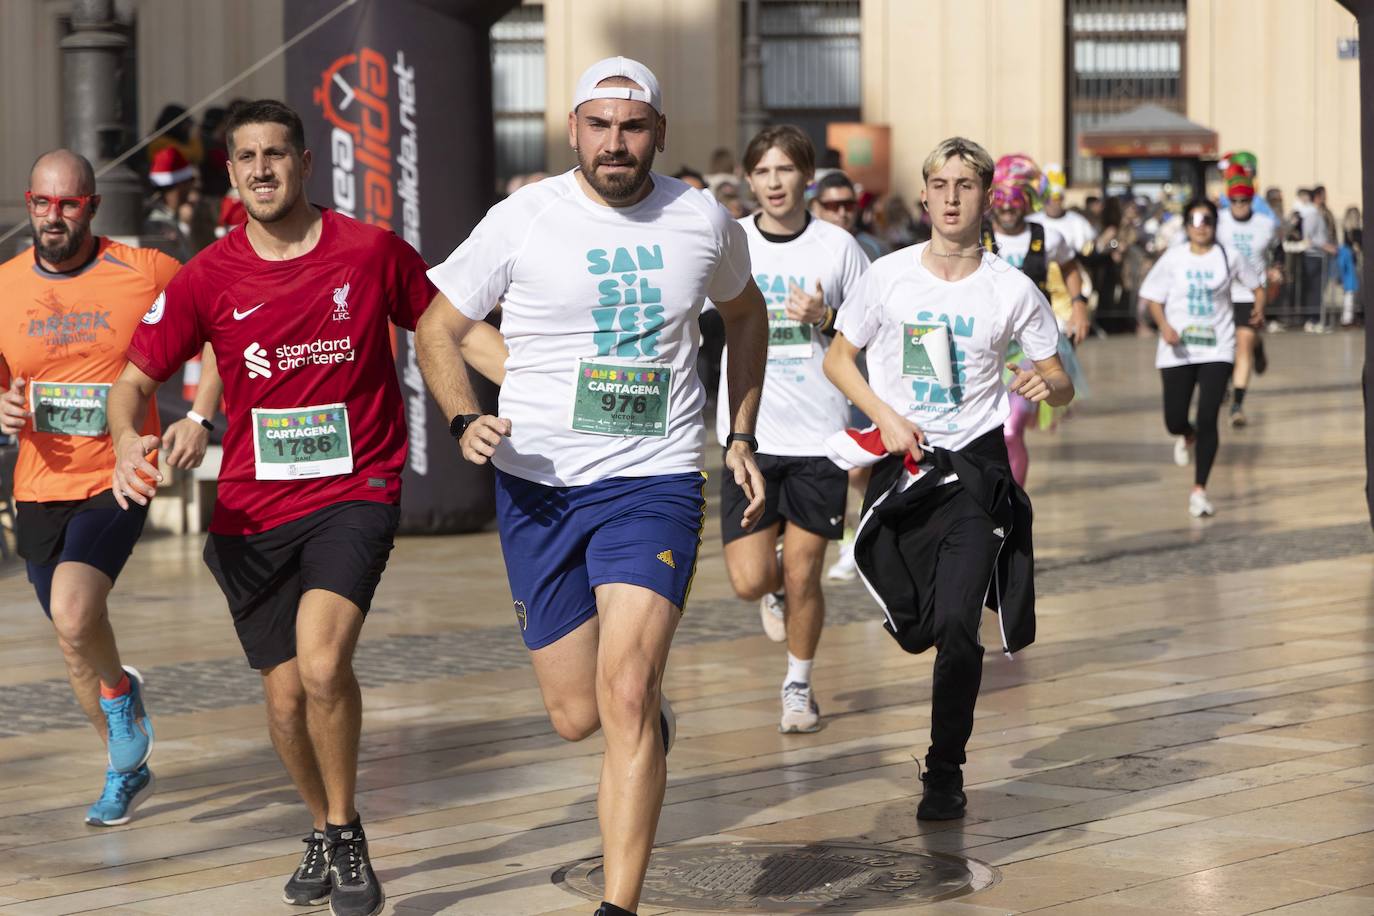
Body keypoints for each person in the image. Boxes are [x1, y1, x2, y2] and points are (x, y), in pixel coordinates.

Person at [417, 57, 768, 916]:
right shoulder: (523, 218)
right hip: (536, 486)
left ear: (658, 132)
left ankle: (619, 903)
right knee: (577, 714)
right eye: (600, 126)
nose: (617, 143)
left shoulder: (701, 219)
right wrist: (466, 420)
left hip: (652, 481)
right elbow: (438, 326)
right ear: (573, 130)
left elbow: (747, 313)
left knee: (625, 693)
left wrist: (741, 430)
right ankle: (643, 719)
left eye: (634, 126)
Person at [109, 99, 434, 916]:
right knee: (287, 697)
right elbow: (134, 381)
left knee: (325, 666)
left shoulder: (370, 252)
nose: (262, 169)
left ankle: (348, 827)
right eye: (247, 157)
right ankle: (321, 825)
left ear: (304, 163)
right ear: (232, 171)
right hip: (250, 514)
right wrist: (126, 440)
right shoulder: (208, 276)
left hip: (356, 489)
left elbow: (443, 322)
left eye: (277, 154)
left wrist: (502, 392)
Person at [822, 136, 1073, 821]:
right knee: (916, 627)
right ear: (926, 194)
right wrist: (885, 415)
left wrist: (1044, 383)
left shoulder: (1011, 289)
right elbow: (840, 360)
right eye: (941, 183)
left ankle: (944, 770)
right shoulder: (890, 276)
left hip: (974, 469)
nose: (953, 196)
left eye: (967, 184)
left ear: (986, 198)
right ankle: (924, 637)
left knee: (961, 624)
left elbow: (1062, 382)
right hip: (903, 469)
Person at [0, 149, 221, 827]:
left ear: (93, 207)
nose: (53, 216)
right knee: (74, 640)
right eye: (42, 203)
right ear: (29, 206)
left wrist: (202, 415)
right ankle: (123, 759)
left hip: (120, 472)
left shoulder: (146, 272)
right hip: (37, 482)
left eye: (68, 204)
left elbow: (215, 330)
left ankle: (122, 706)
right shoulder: (5, 283)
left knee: (73, 612)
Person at [710, 125, 868, 733]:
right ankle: (772, 593)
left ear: (807, 176)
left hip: (817, 438)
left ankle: (798, 687)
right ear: (749, 180)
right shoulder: (730, 241)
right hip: (747, 435)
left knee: (805, 571)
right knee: (752, 581)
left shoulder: (838, 247)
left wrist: (824, 316)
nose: (774, 183)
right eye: (763, 172)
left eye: (785, 170)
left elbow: (867, 329)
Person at [1138, 199, 1262, 518]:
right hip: (1177, 349)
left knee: (1209, 417)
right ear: (1186, 225)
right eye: (1194, 219)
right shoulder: (1174, 258)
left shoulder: (1228, 256)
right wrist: (1164, 326)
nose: (1201, 225)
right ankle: (1186, 434)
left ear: (1214, 223)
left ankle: (1199, 491)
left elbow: (1256, 285)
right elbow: (1152, 296)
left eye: (1207, 218)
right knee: (1173, 420)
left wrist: (1259, 307)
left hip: (1217, 348)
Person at [1215, 162, 1274, 427]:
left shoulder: (1265, 224)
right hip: (1223, 293)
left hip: (1251, 292)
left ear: (1252, 199)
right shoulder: (1219, 221)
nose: (1239, 205)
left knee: (1243, 346)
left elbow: (1278, 249)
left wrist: (1277, 271)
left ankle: (1237, 405)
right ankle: (1258, 348)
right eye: (1234, 200)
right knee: (1229, 346)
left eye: (1244, 200)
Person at [811, 171, 889, 261]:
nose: (842, 213)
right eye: (833, 205)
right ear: (816, 207)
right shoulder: (805, 248)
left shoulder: (876, 249)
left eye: (848, 205)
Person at [1338, 206, 1362, 326]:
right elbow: (1357, 248)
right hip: (1351, 264)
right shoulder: (1355, 233)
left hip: (1347, 264)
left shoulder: (1345, 232)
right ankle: (1347, 318)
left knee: (1349, 292)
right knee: (1351, 292)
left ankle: (1348, 317)